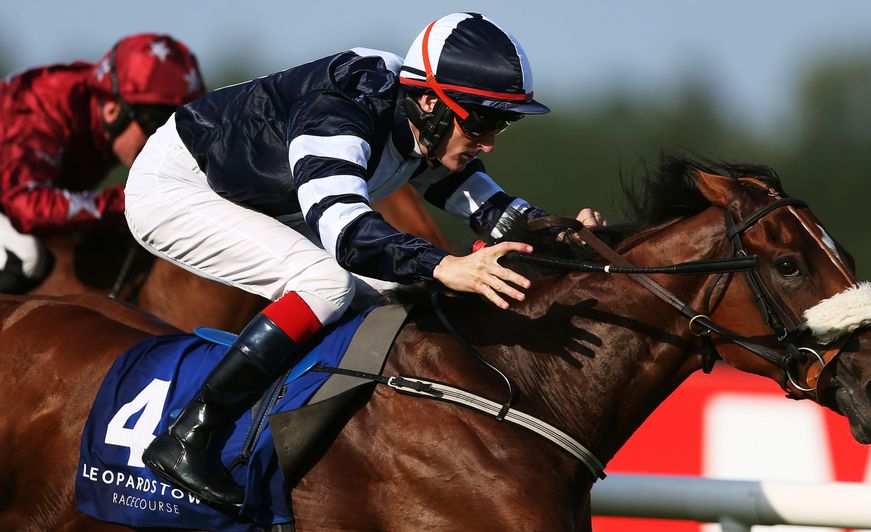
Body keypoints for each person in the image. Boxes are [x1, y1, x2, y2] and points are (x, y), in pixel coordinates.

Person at [129, 12, 602, 510]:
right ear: (429, 100)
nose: (488, 142)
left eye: (500, 124)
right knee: (326, 284)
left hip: (257, 198)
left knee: (397, 294)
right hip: (178, 187)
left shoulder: (424, 124)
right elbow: (347, 234)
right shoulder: (344, 105)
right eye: (481, 121)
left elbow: (491, 208)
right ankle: (191, 434)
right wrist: (445, 265)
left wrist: (562, 232)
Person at [0, 33, 205, 293]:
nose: (163, 141)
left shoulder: (99, 114)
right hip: (14, 204)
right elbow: (28, 209)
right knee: (24, 258)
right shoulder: (40, 109)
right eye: (155, 125)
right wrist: (130, 200)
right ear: (112, 109)